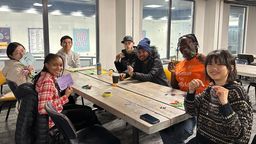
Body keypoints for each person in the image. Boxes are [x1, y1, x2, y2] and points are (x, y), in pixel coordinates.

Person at [185, 50, 253, 144]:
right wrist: (191, 92)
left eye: (219, 64)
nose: (214, 68)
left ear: (231, 68)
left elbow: (240, 135)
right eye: (210, 64)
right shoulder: (210, 89)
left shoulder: (237, 92)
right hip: (201, 139)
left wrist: (225, 105)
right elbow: (190, 111)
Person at [160, 34, 208, 144]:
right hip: (180, 103)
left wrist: (208, 62)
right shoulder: (179, 64)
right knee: (161, 126)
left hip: (200, 105)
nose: (183, 49)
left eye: (186, 45)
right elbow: (175, 87)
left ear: (195, 44)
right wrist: (173, 72)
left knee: (182, 132)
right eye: (180, 46)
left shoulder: (204, 61)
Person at [33, 53, 100, 130]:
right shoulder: (47, 81)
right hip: (54, 119)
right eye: (55, 65)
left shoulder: (45, 75)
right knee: (89, 113)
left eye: (61, 65)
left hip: (57, 111)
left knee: (87, 109)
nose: (59, 68)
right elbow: (43, 109)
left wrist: (58, 86)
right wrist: (66, 96)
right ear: (47, 65)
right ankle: (95, 133)